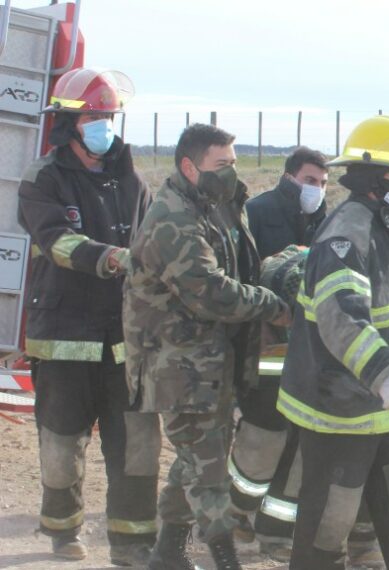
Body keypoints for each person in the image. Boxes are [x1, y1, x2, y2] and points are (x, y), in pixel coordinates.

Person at [276, 114, 389, 569]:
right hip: (341, 411)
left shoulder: (387, 225)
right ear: (374, 177)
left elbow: (378, 306)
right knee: (327, 531)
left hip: (385, 408)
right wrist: (385, 373)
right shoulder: (348, 232)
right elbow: (341, 317)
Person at [124, 123, 292, 570]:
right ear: (189, 166)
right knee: (208, 469)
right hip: (177, 366)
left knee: (196, 461)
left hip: (213, 362)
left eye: (234, 164)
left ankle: (167, 555)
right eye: (222, 165)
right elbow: (210, 290)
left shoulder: (217, 206)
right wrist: (273, 306)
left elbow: (242, 268)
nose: (232, 173)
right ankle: (225, 560)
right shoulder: (172, 218)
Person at [16, 67, 158, 565]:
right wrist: (112, 257)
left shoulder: (132, 181)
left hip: (123, 337)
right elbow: (55, 240)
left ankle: (133, 542)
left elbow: (149, 241)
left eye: (108, 116)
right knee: (61, 444)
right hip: (63, 335)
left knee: (137, 444)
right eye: (95, 116)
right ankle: (62, 529)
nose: (104, 125)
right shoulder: (43, 179)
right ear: (70, 122)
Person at [225, 146, 331, 561]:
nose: (317, 190)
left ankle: (276, 530)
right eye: (310, 181)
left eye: (323, 183)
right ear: (290, 177)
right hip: (267, 345)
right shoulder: (258, 211)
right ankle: (235, 513)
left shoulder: (326, 219)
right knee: (261, 437)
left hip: (310, 353)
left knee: (301, 444)